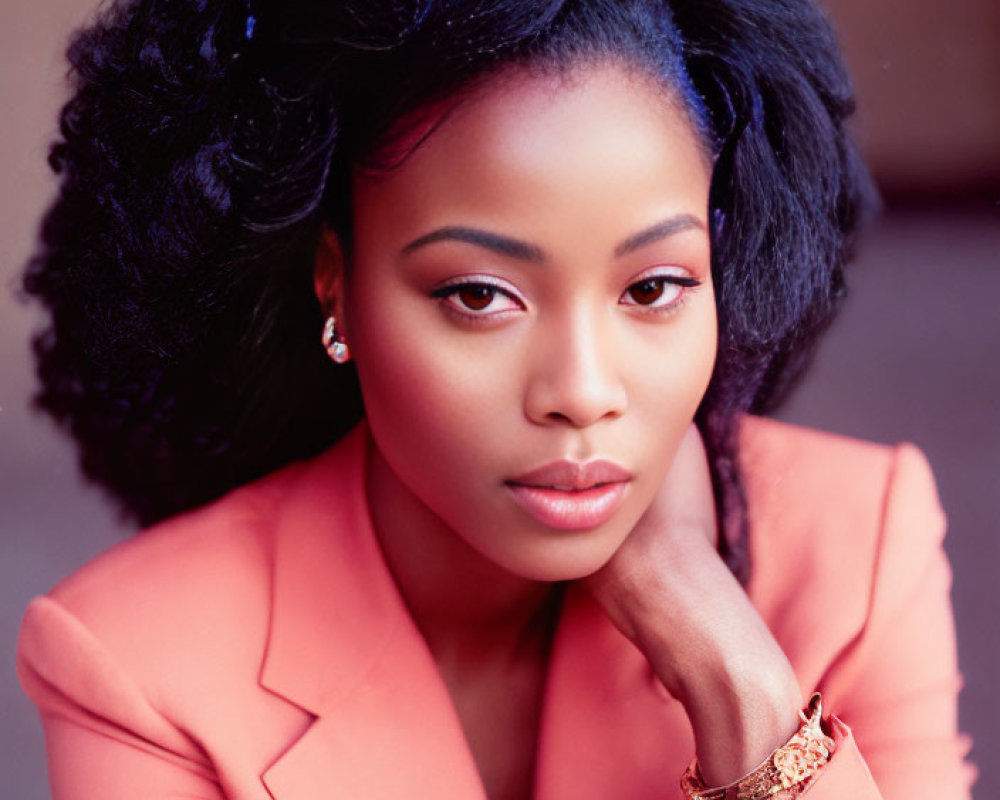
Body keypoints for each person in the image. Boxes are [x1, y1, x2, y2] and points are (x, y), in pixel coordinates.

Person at [16, 1, 975, 798]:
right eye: (480, 295)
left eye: (653, 289)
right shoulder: (138, 666)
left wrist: (736, 681)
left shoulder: (859, 550)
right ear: (333, 284)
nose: (584, 394)